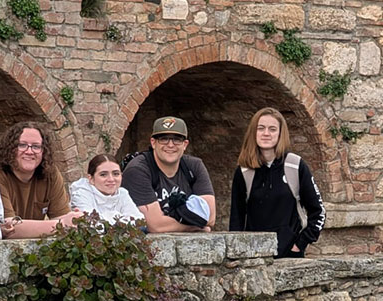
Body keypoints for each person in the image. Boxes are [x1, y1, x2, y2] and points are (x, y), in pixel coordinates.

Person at [229, 107, 325, 258]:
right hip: (254, 259)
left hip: (290, 257)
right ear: (253, 132)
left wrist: (299, 244)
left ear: (281, 133)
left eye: (272, 129)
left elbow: (319, 212)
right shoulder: (244, 171)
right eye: (261, 128)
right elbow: (236, 220)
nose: (266, 133)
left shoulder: (295, 165)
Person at [0, 122, 82, 238]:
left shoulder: (49, 171)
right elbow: (8, 228)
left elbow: (60, 216)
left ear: (44, 151)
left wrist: (74, 219)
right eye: (22, 145)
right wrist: (62, 224)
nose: (29, 151)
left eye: (36, 146)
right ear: (9, 148)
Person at [120, 116, 215, 233]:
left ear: (185, 144)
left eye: (177, 139)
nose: (170, 145)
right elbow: (155, 225)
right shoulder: (138, 169)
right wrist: (194, 226)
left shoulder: (194, 166)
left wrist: (166, 220)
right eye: (164, 139)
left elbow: (209, 216)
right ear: (153, 143)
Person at [69, 154, 143, 224]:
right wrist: (118, 217)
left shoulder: (122, 193)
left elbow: (139, 221)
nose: (111, 179)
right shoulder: (81, 195)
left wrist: (106, 219)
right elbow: (91, 225)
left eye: (116, 174)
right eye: (103, 174)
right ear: (91, 179)